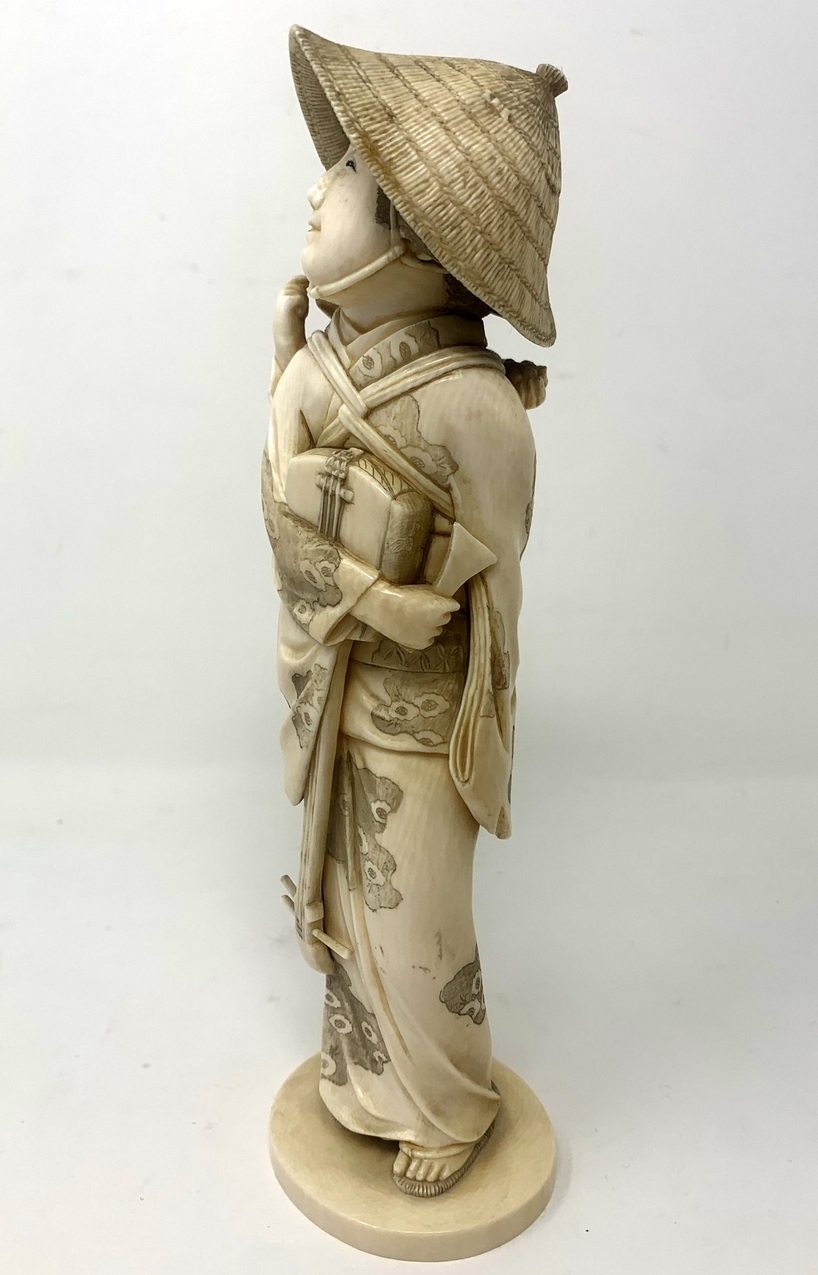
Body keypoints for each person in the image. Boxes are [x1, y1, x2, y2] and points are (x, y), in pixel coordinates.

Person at [263, 26, 566, 1197]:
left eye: (346, 170)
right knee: (347, 899)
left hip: (424, 712)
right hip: (341, 680)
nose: (316, 187)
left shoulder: (472, 407)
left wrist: (434, 621)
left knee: (415, 912)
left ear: (414, 233)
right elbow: (277, 518)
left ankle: (446, 1097)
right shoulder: (310, 372)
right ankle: (359, 1083)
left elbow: (498, 570)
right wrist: (365, 596)